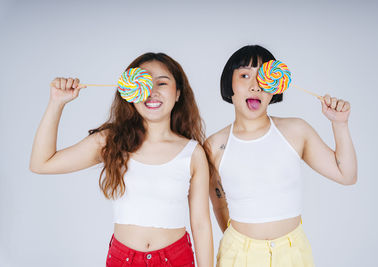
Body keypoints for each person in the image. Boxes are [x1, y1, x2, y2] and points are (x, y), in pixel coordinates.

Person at [30, 52, 213, 267]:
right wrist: (57, 102)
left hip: (176, 259)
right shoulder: (110, 141)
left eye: (162, 83)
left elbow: (201, 224)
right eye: (142, 82)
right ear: (129, 91)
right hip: (123, 259)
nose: (151, 91)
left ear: (178, 93)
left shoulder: (192, 153)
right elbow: (41, 163)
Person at [206, 45, 357, 266]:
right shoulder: (214, 145)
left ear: (276, 84)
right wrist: (239, 241)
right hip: (238, 254)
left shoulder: (296, 131)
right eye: (245, 75)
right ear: (230, 84)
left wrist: (340, 124)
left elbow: (347, 175)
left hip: (293, 253)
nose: (255, 86)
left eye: (263, 77)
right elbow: (218, 204)